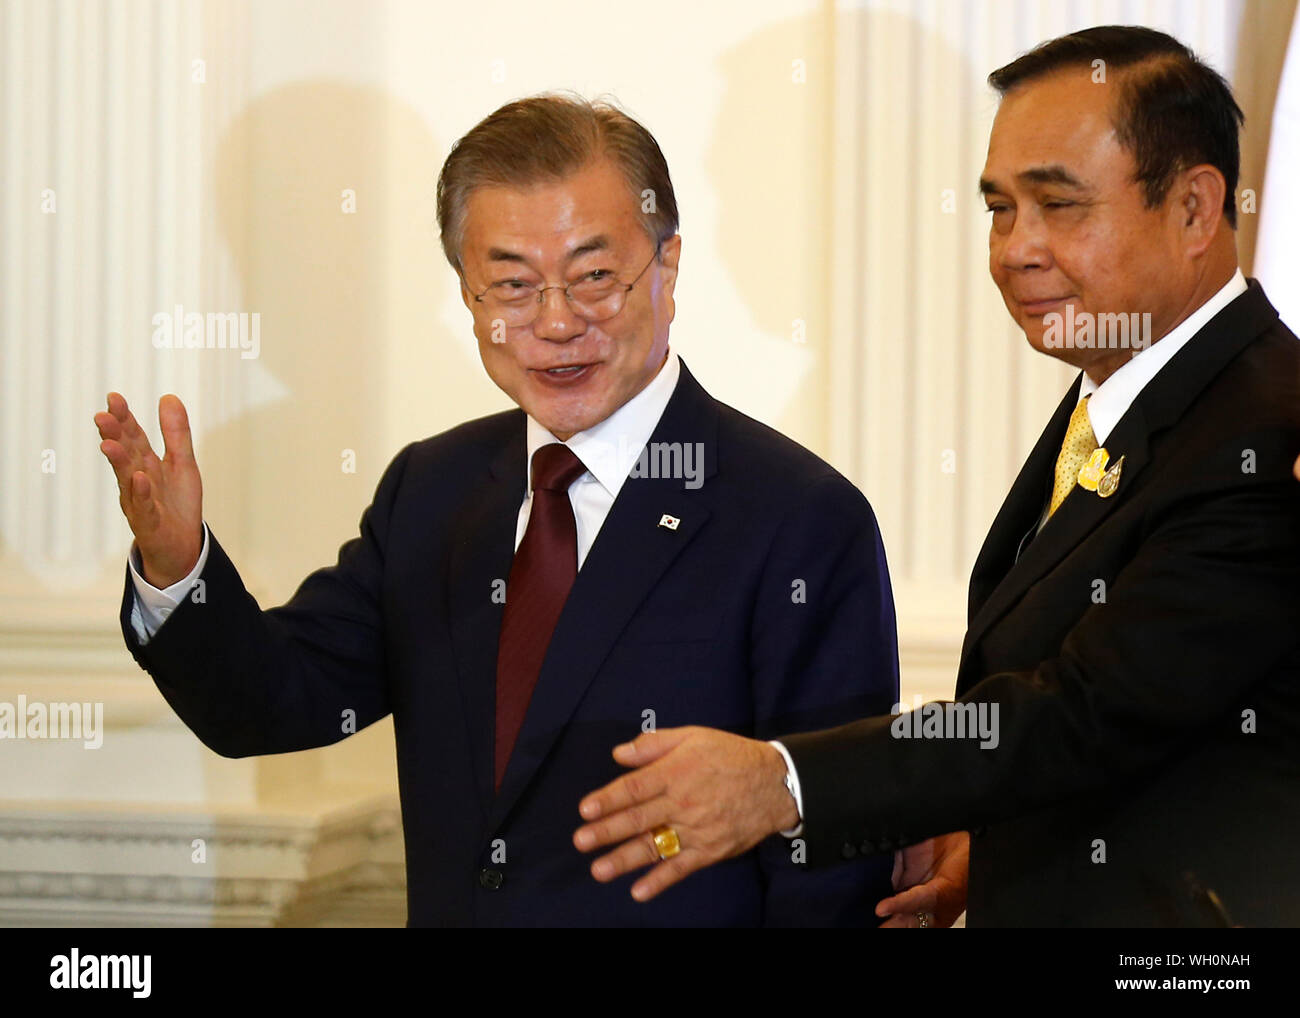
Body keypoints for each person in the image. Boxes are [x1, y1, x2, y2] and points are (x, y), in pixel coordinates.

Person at [94, 94, 901, 926]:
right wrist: (175, 562)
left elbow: (833, 866)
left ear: (668, 264)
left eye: (594, 276)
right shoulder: (435, 489)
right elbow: (268, 703)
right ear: (469, 296)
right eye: (511, 285)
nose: (556, 322)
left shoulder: (799, 519)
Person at [574, 26, 1300, 927]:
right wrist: (989, 837)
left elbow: (1085, 710)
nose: (1015, 251)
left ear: (1195, 209)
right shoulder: (1126, 395)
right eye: (1000, 209)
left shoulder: (1268, 433)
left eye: (1058, 205)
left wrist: (785, 780)